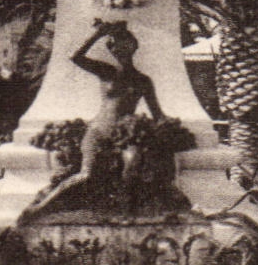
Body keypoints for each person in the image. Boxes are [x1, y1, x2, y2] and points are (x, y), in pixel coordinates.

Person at [24, 21, 163, 220]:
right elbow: (75, 57)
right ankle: (40, 208)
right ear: (111, 49)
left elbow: (157, 112)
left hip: (124, 136)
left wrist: (164, 130)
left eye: (125, 43)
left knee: (131, 165)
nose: (120, 48)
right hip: (98, 131)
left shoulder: (143, 80)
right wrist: (97, 35)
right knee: (86, 175)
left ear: (133, 45)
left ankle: (126, 216)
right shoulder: (106, 72)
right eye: (114, 44)